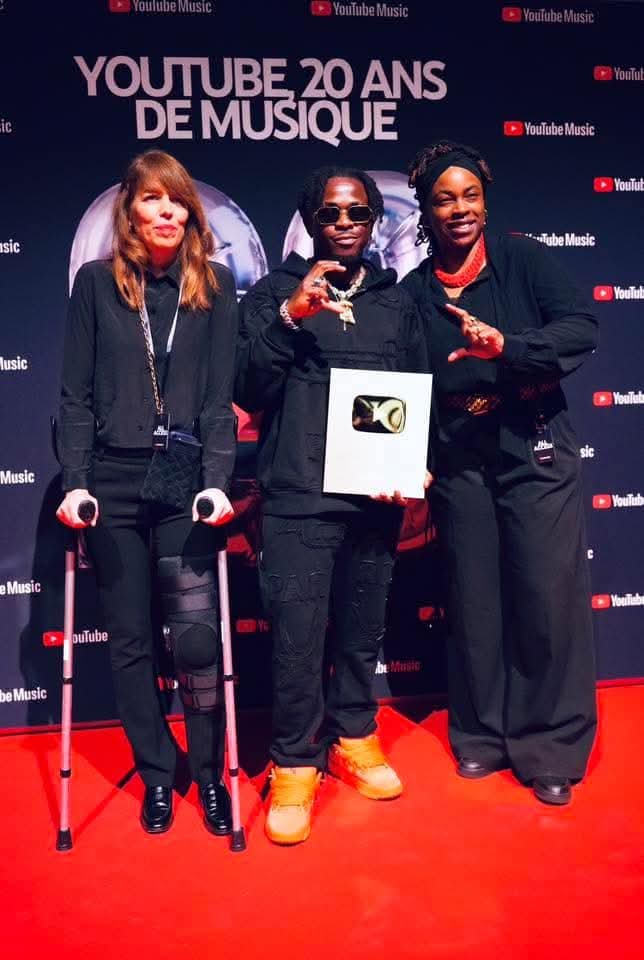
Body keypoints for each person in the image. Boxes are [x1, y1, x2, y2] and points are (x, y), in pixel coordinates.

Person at [235, 166, 429, 844]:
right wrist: (293, 316)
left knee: (361, 627)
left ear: (374, 219)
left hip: (373, 495)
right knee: (296, 634)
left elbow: (414, 388)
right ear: (310, 219)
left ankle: (354, 735)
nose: (344, 223)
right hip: (298, 495)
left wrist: (410, 461)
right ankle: (295, 761)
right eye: (330, 213)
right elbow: (246, 386)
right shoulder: (272, 294)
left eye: (357, 213)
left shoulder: (395, 301)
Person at [402, 140, 598, 805]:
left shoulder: (524, 260)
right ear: (426, 211)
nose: (459, 208)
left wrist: (509, 347)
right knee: (474, 601)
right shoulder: (415, 292)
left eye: (470, 195)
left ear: (485, 203)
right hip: (459, 455)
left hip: (532, 443)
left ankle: (550, 745)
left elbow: (582, 328)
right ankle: (481, 735)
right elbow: (403, 382)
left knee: (544, 597)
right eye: (444, 198)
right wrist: (409, 456)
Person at [56, 150, 238, 835]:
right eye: (152, 199)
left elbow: (218, 402)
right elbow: (75, 397)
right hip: (113, 483)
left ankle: (210, 774)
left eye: (177, 200)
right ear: (129, 211)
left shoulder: (214, 287)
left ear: (190, 212)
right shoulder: (96, 286)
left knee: (195, 640)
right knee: (131, 640)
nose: (166, 212)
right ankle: (159, 775)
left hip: (186, 480)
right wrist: (76, 482)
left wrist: (217, 481)